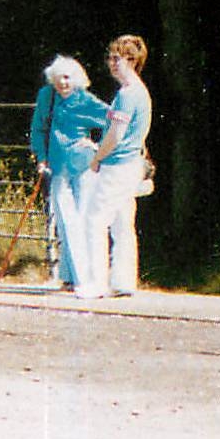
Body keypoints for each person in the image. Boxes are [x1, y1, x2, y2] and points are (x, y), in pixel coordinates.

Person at [77, 34, 152, 299]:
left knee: (95, 220)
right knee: (122, 223)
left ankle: (97, 284)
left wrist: (97, 157)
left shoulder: (128, 94)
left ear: (131, 60)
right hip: (130, 166)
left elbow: (115, 134)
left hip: (117, 166)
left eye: (116, 58)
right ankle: (123, 281)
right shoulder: (138, 92)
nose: (111, 63)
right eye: (110, 57)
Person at [27, 55, 109, 290]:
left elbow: (115, 120)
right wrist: (41, 159)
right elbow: (38, 129)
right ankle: (71, 276)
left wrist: (97, 146)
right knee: (64, 222)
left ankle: (82, 278)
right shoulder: (47, 96)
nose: (63, 82)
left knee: (82, 219)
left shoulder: (85, 99)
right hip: (57, 168)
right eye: (59, 77)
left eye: (68, 77)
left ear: (77, 79)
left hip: (83, 167)